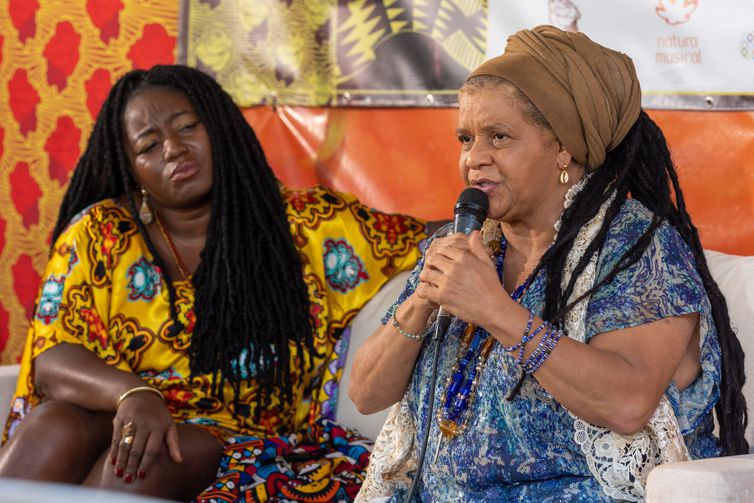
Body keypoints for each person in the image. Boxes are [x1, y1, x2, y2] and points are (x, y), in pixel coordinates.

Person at [350, 25, 748, 502]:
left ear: (564, 148)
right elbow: (366, 394)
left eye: (499, 137)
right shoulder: (467, 244)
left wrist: (496, 310)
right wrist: (422, 300)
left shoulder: (636, 247)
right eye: (465, 138)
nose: (474, 158)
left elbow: (627, 404)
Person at [0, 65, 430, 502]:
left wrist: (497, 209)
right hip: (124, 410)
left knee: (140, 461)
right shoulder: (100, 232)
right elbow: (51, 361)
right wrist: (133, 393)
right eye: (149, 145)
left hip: (235, 434)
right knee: (54, 426)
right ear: (132, 170)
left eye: (188, 126)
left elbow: (430, 235)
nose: (173, 149)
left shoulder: (306, 224)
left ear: (220, 126)